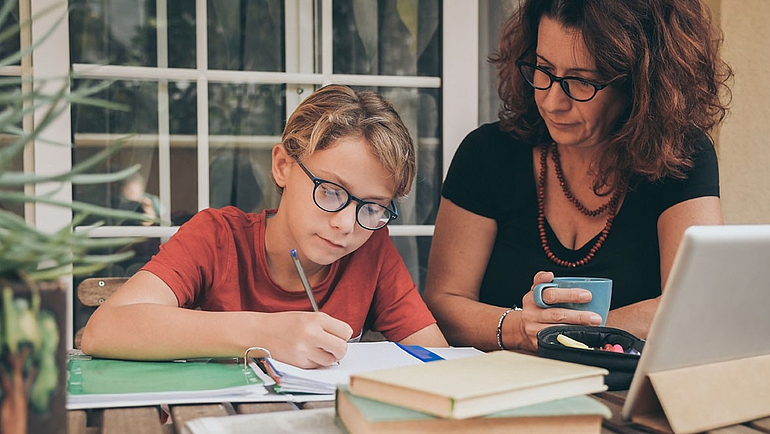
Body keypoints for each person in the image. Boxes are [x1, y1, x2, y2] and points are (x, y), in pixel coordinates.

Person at [424, 0, 731, 353]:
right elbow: (443, 304)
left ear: (641, 86)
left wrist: (559, 333)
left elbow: (696, 304)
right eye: (543, 69)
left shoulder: (682, 157)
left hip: (626, 394)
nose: (553, 100)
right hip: (501, 392)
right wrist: (519, 327)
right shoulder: (487, 153)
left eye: (581, 81)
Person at [82, 84, 448, 367]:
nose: (345, 224)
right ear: (283, 166)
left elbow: (438, 359)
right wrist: (264, 333)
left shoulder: (371, 248)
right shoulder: (216, 237)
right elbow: (105, 329)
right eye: (332, 191)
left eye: (372, 207)